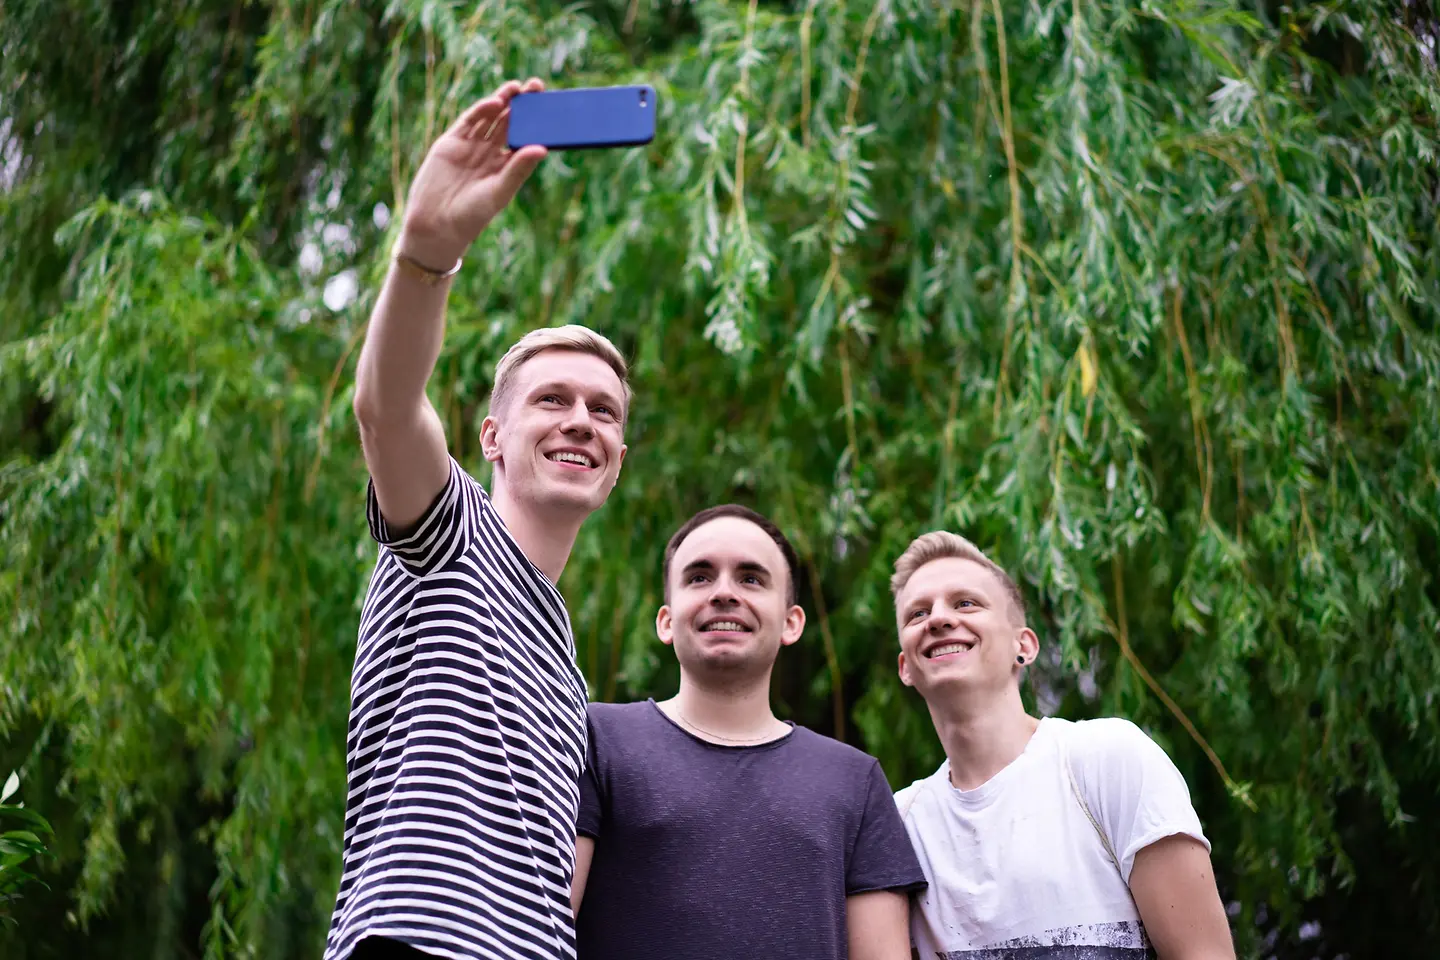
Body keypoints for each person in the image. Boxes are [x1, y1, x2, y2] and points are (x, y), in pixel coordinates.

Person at [326, 78, 632, 960]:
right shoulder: (451, 534)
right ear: (492, 438)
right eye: (554, 400)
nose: (582, 421)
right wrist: (427, 254)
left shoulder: (566, 663)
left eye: (604, 412)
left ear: (614, 469)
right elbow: (386, 407)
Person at [569, 505, 927, 960]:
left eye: (751, 579)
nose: (723, 593)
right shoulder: (594, 738)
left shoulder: (855, 782)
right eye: (699, 577)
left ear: (791, 622)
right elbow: (541, 925)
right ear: (665, 620)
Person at [889, 532, 1235, 960]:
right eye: (917, 613)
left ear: (1025, 645)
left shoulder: (1108, 759)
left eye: (965, 603)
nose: (938, 619)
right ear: (905, 666)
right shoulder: (898, 824)